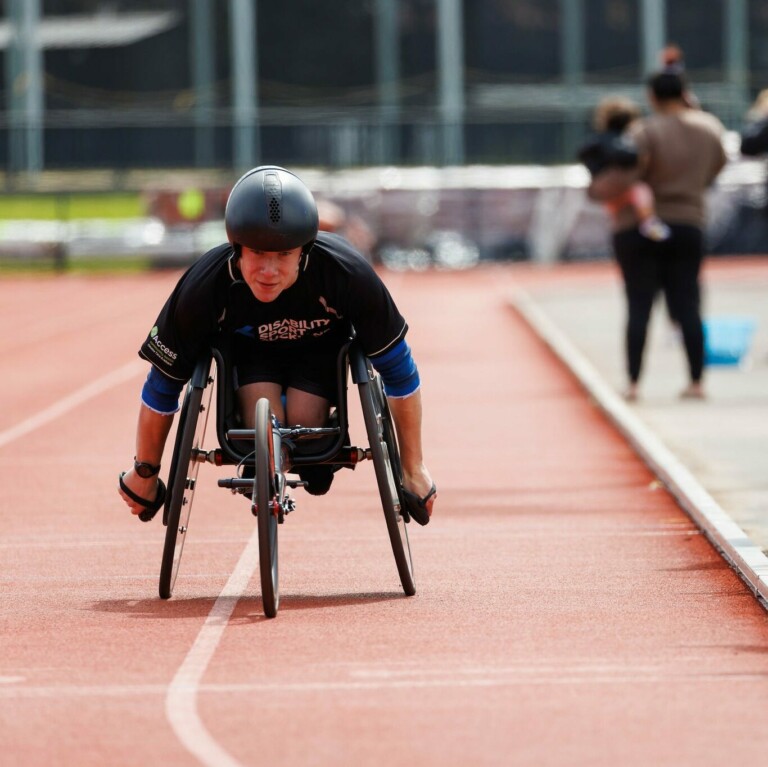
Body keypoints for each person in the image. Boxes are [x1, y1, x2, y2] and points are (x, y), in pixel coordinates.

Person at [118, 165, 436, 525]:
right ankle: (269, 455)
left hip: (318, 354)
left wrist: (414, 467)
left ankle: (316, 463)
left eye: (284, 255)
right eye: (257, 253)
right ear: (236, 247)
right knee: (263, 426)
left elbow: (398, 369)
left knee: (305, 426)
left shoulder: (346, 273)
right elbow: (163, 383)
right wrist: (144, 473)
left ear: (304, 250)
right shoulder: (204, 286)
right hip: (250, 357)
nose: (269, 270)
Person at [587, 53, 727, 402]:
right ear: (684, 92)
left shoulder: (643, 131)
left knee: (639, 305)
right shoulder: (709, 128)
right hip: (688, 221)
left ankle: (634, 384)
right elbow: (718, 165)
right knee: (688, 302)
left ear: (651, 97)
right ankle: (696, 382)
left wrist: (596, 189)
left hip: (639, 228)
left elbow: (628, 174)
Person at [578, 96, 671, 242]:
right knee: (641, 192)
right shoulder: (619, 141)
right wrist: (640, 158)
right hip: (621, 192)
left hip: (616, 207)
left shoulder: (597, 140)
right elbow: (622, 154)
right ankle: (649, 222)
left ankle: (646, 222)